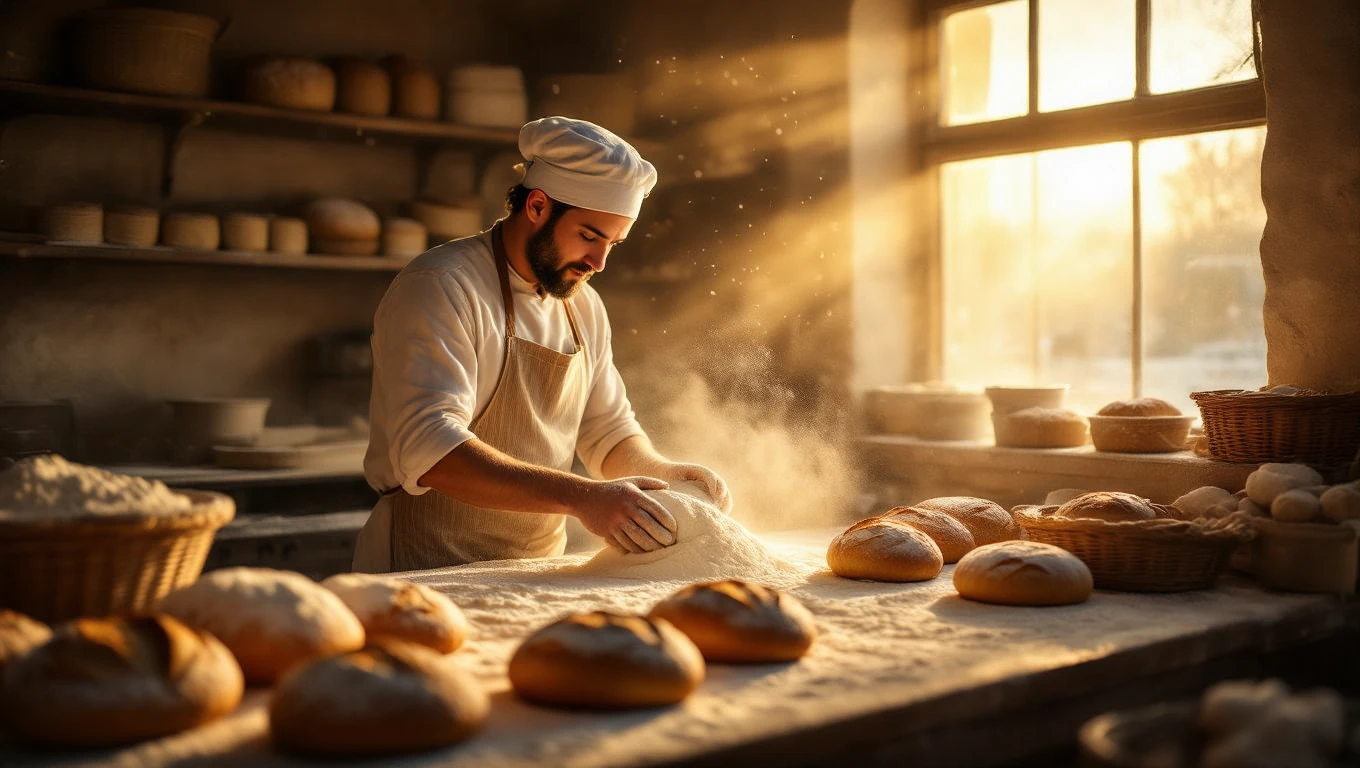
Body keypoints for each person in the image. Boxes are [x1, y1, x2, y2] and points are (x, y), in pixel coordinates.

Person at [353, 116, 731, 572]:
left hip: (531, 571)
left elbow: (608, 432)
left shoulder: (583, 306)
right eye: (589, 236)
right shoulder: (442, 286)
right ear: (537, 206)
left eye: (614, 243)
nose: (599, 262)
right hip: (423, 569)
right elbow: (430, 449)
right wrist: (583, 497)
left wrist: (663, 474)